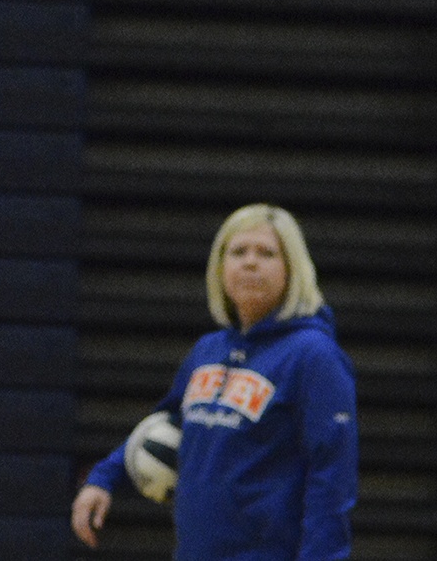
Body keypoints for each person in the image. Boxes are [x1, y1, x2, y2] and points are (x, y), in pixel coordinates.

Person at [71, 203, 358, 560]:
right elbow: (168, 422)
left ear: (292, 269)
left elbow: (332, 480)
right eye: (238, 252)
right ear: (220, 268)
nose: (250, 262)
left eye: (267, 253)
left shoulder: (315, 356)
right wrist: (104, 478)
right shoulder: (208, 350)